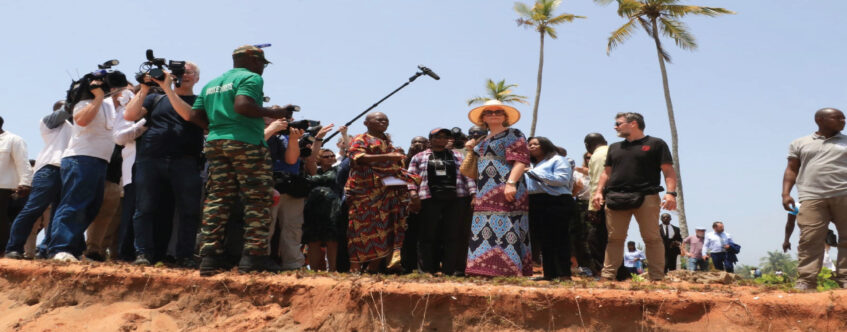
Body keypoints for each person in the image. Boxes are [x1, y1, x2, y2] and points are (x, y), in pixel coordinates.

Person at [191, 45, 291, 275]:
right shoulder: (251, 77)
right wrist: (276, 113)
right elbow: (243, 105)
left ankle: (210, 258)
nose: (262, 69)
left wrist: (218, 128)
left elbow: (194, 115)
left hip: (216, 142)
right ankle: (253, 257)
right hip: (246, 142)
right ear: (253, 61)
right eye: (262, 64)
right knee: (257, 198)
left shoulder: (211, 83)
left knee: (218, 198)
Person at [124, 62, 204, 266]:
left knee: (189, 210)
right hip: (150, 159)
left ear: (197, 78)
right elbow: (129, 115)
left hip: (185, 160)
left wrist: (168, 88)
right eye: (181, 71)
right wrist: (143, 87)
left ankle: (184, 256)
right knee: (144, 208)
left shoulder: (200, 101)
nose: (184, 75)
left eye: (189, 72)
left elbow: (188, 116)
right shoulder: (155, 98)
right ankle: (143, 253)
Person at [48, 73, 128, 261]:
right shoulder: (84, 102)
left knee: (90, 207)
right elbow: (82, 120)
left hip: (100, 162)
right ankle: (60, 248)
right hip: (81, 159)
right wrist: (98, 96)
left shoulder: (109, 106)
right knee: (74, 204)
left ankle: (72, 249)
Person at [591, 112, 677, 281]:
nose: (615, 126)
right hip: (615, 197)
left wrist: (670, 193)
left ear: (633, 124)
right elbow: (606, 173)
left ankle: (657, 278)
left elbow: (668, 171)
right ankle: (607, 278)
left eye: (619, 123)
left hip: (646, 196)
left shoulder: (656, 144)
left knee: (652, 238)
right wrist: (598, 191)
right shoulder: (614, 148)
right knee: (614, 239)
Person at [463, 100, 532, 277]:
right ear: (483, 118)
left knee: (507, 224)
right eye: (489, 112)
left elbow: (521, 160)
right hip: (485, 188)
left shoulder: (514, 133)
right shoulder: (483, 139)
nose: (494, 114)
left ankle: (509, 270)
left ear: (505, 116)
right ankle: (485, 270)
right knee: (485, 224)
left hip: (506, 184)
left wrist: (511, 184)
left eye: (498, 111)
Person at [344, 112, 419, 273]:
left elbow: (396, 164)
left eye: (386, 120)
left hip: (387, 193)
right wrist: (388, 156)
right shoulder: (360, 138)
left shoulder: (388, 142)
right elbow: (357, 157)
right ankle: (355, 269)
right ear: (366, 123)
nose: (383, 122)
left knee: (383, 231)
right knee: (360, 230)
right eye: (379, 119)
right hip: (365, 193)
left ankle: (373, 270)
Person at [782, 107, 847, 289]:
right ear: (820, 120)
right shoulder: (800, 143)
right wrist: (786, 193)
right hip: (811, 196)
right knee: (810, 239)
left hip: (844, 194)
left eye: (843, 118)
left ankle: (845, 278)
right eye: (838, 118)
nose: (843, 120)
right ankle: (806, 280)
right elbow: (791, 169)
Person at [4, 102, 70, 259]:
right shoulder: (49, 122)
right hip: (50, 169)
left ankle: (48, 249)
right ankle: (14, 247)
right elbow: (65, 111)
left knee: (59, 213)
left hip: (69, 170)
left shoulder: (77, 125)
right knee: (33, 209)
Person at [407, 128, 476, 275]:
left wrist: (473, 194)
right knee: (427, 235)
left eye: (445, 137)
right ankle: (426, 270)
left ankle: (450, 270)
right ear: (430, 140)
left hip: (457, 198)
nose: (441, 140)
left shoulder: (457, 155)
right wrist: (413, 195)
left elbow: (467, 176)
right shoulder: (419, 157)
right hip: (429, 198)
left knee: (453, 235)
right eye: (437, 137)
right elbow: (412, 178)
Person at [524, 136, 574, 280]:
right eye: (529, 145)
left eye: (535, 144)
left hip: (556, 201)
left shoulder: (558, 160)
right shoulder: (531, 164)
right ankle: (549, 274)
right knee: (544, 240)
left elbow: (562, 179)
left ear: (545, 145)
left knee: (560, 238)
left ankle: (564, 274)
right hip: (536, 202)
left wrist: (534, 173)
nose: (531, 147)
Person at [302, 148, 344, 271]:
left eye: (332, 155)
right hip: (313, 207)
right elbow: (310, 163)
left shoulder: (337, 170)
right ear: (320, 159)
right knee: (313, 240)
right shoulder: (313, 170)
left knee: (332, 240)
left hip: (331, 207)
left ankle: (332, 269)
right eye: (326, 156)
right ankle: (313, 271)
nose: (331, 157)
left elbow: (348, 156)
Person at [0, 115, 34, 256]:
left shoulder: (13, 139)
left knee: (2, 220)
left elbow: (22, 162)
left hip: (6, 187)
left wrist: (25, 183)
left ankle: (4, 250)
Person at [401, 135, 429, 273]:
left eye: (421, 142)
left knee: (424, 234)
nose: (417, 144)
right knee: (408, 236)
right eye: (414, 142)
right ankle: (407, 266)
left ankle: (423, 267)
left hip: (426, 200)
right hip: (406, 202)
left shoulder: (429, 158)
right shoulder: (404, 159)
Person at [583, 133, 609, 276]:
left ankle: (603, 271)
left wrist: (593, 208)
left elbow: (598, 182)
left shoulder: (597, 156)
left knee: (595, 239)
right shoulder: (611, 150)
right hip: (613, 199)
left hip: (601, 201)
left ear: (587, 145)